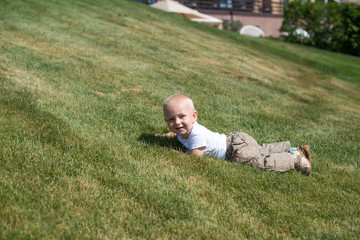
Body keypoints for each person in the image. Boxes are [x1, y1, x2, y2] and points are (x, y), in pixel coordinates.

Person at [159, 93, 312, 175]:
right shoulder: (183, 132)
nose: (177, 123)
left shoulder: (196, 135)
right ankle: (291, 149)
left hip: (234, 151)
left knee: (260, 162)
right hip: (234, 140)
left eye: (181, 117)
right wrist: (162, 137)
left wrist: (174, 153)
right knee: (260, 150)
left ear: (194, 116)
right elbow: (176, 136)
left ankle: (294, 159)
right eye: (171, 120)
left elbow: (194, 158)